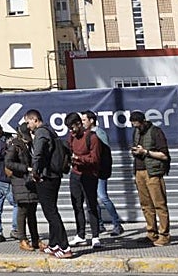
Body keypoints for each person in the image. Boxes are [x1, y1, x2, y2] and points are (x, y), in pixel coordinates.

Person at [24, 109, 73, 259]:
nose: (27, 126)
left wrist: (35, 173)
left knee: (51, 213)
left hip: (46, 177)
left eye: (28, 122)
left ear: (35, 119)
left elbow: (38, 154)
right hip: (54, 176)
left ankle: (65, 247)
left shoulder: (40, 133)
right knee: (51, 210)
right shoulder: (50, 131)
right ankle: (54, 244)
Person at [129, 109, 171, 246]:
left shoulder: (155, 132)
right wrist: (136, 152)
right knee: (146, 205)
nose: (136, 128)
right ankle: (151, 233)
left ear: (143, 122)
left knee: (159, 204)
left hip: (153, 173)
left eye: (138, 125)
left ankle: (164, 235)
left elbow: (164, 155)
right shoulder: (136, 132)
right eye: (134, 125)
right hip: (139, 171)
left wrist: (146, 152)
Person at [82, 110, 123, 236]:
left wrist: (102, 169)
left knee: (103, 197)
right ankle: (99, 225)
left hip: (99, 171)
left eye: (84, 120)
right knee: (92, 199)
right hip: (91, 171)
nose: (82, 122)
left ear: (91, 120)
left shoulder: (99, 133)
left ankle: (117, 224)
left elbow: (104, 153)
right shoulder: (86, 134)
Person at [65, 111, 102, 248]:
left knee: (91, 205)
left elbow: (95, 159)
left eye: (73, 127)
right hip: (75, 174)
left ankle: (95, 236)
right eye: (69, 129)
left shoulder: (92, 138)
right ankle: (80, 235)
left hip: (89, 175)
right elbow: (68, 150)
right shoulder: (72, 137)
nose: (72, 131)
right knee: (77, 205)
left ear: (79, 124)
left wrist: (78, 159)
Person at [4, 121, 41, 252]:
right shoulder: (15, 145)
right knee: (22, 211)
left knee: (32, 212)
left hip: (30, 182)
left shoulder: (29, 144)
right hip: (20, 182)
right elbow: (8, 163)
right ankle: (23, 240)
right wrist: (26, 168)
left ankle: (36, 239)